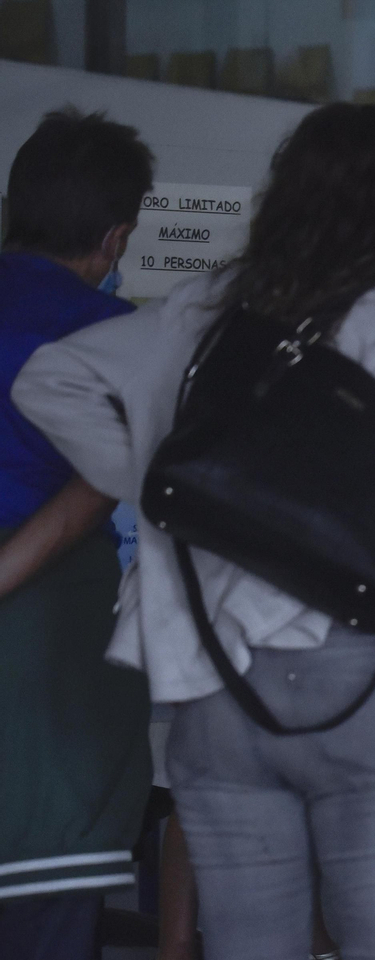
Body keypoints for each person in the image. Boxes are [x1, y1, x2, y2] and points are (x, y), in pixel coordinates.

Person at [11, 102, 375, 960]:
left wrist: (166, 493)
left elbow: (52, 382)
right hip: (370, 671)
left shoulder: (209, 306)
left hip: (217, 687)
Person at [0, 109, 154, 960]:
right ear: (116, 235)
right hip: (50, 657)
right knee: (45, 912)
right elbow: (102, 486)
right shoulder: (113, 334)